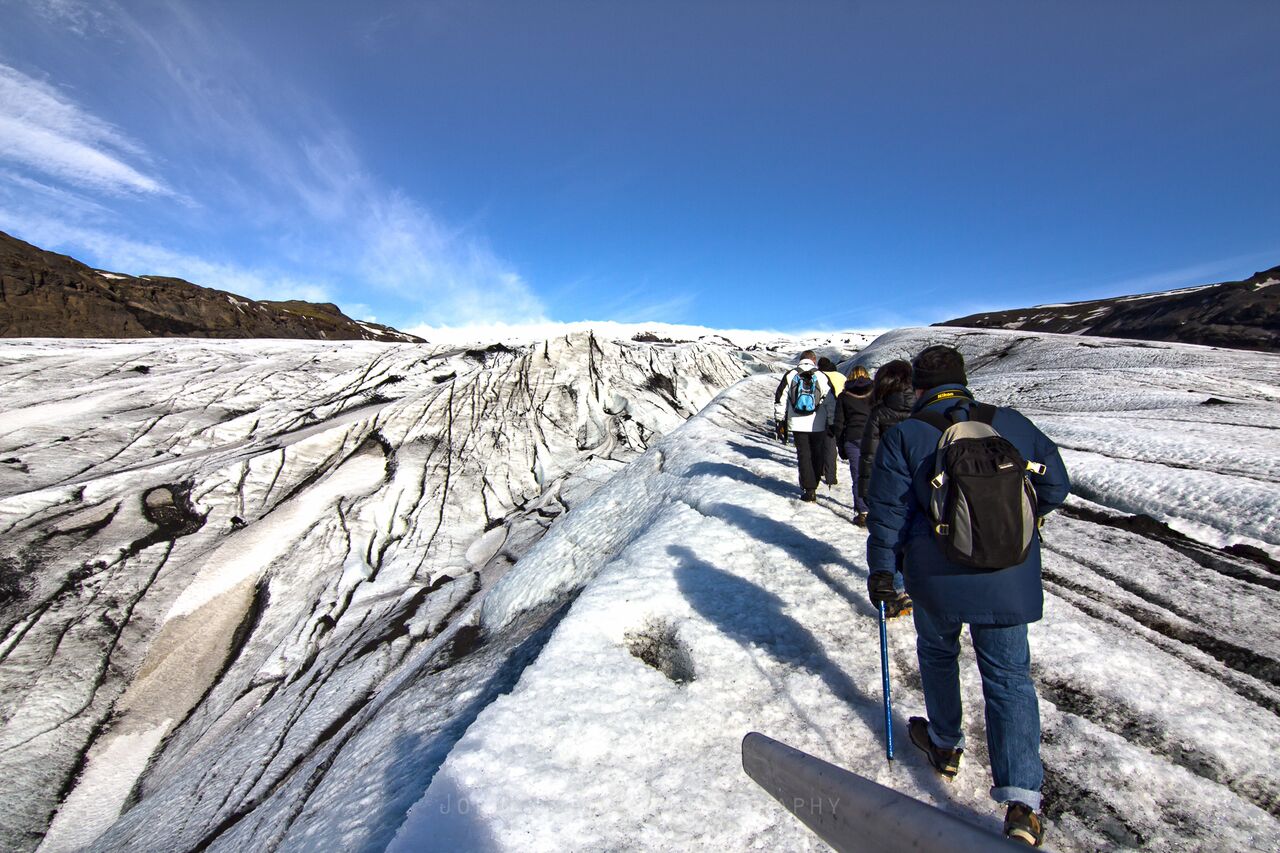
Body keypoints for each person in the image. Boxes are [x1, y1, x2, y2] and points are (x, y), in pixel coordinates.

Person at [864, 345, 1070, 847]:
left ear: (919, 387)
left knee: (939, 653)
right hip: (1008, 573)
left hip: (935, 577)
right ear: (964, 379)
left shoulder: (906, 435)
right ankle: (1022, 804)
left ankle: (944, 744)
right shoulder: (1011, 424)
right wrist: (1010, 527)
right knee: (1009, 679)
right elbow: (1057, 486)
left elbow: (887, 514)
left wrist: (883, 574)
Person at [773, 351, 837, 502]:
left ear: (801, 360)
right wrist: (832, 421)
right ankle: (814, 482)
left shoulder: (790, 375)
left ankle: (809, 489)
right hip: (818, 423)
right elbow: (830, 401)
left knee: (804, 455)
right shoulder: (821, 376)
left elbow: (780, 398)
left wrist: (779, 420)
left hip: (797, 423)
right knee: (817, 453)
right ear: (813, 360)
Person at [857, 360, 914, 513]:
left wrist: (865, 491)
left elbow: (870, 453)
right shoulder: (924, 409)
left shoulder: (879, 413)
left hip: (888, 484)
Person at [831, 365, 873, 523]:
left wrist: (840, 446)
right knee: (873, 474)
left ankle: (863, 512)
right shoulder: (875, 393)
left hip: (852, 438)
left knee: (858, 476)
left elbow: (839, 423)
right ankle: (875, 508)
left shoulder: (844, 396)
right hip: (872, 437)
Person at [817, 357, 845, 488]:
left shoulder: (819, 376)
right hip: (840, 413)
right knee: (831, 444)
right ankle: (831, 476)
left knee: (820, 443)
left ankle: (821, 469)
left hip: (822, 412)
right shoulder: (841, 377)